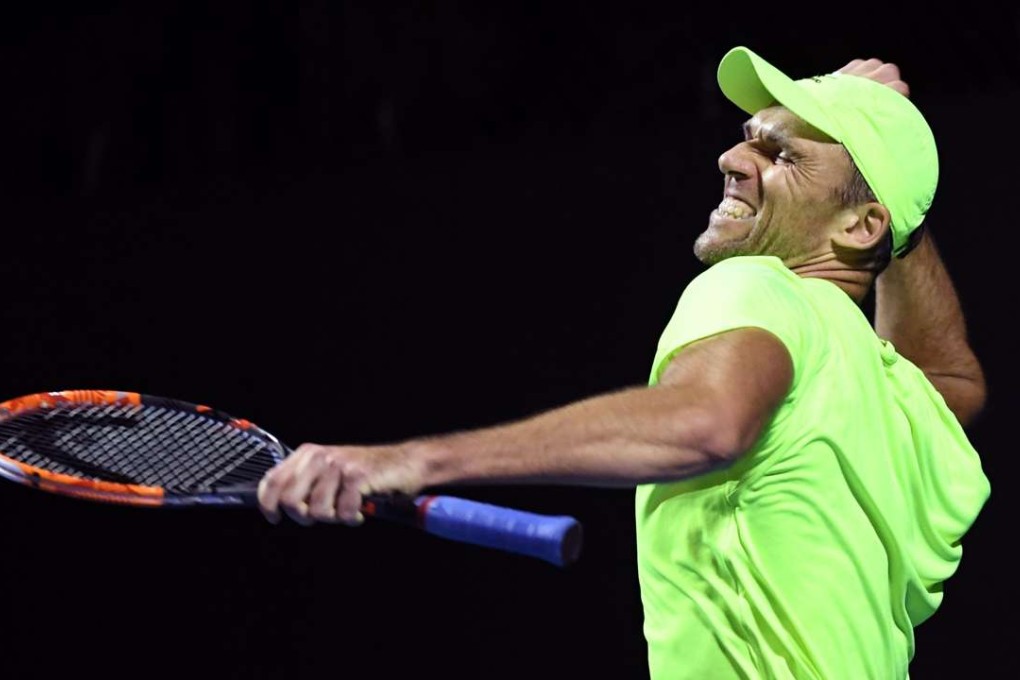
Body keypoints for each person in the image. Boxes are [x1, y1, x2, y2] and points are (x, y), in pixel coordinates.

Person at [256, 46, 990, 679]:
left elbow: (706, 422)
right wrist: (890, 187)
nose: (734, 160)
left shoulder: (756, 285)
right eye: (749, 137)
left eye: (782, 155)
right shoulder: (880, 382)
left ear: (860, 226)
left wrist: (411, 461)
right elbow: (953, 381)